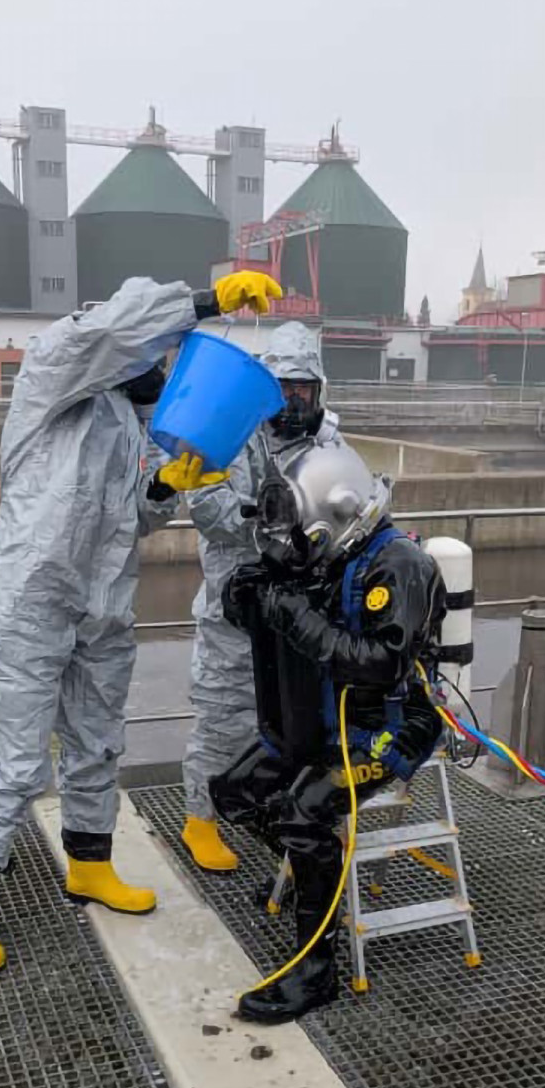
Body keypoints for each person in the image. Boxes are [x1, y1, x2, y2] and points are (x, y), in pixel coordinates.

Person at [0, 269, 282, 974]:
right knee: (16, 759)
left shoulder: (134, 424)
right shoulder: (55, 376)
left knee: (98, 741)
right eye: (155, 350)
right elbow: (110, 333)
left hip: (103, 605)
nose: (159, 366)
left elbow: (134, 519)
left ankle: (89, 863)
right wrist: (203, 301)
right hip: (34, 602)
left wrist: (165, 486)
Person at [211, 441, 446, 1024]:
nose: (295, 550)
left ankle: (316, 970)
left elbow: (380, 663)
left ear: (335, 516)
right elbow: (275, 607)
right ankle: (316, 874)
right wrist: (244, 598)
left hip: (388, 727)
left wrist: (293, 615)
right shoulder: (323, 558)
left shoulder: (399, 567)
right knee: (233, 792)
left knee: (304, 810)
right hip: (317, 716)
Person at [181, 322, 342, 872]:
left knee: (293, 720)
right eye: (285, 388)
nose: (295, 400)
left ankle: (271, 811)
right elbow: (208, 507)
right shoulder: (232, 428)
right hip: (237, 605)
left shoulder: (327, 441)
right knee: (224, 716)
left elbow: (347, 499)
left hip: (299, 609)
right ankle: (199, 820)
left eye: (305, 389)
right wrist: (266, 516)